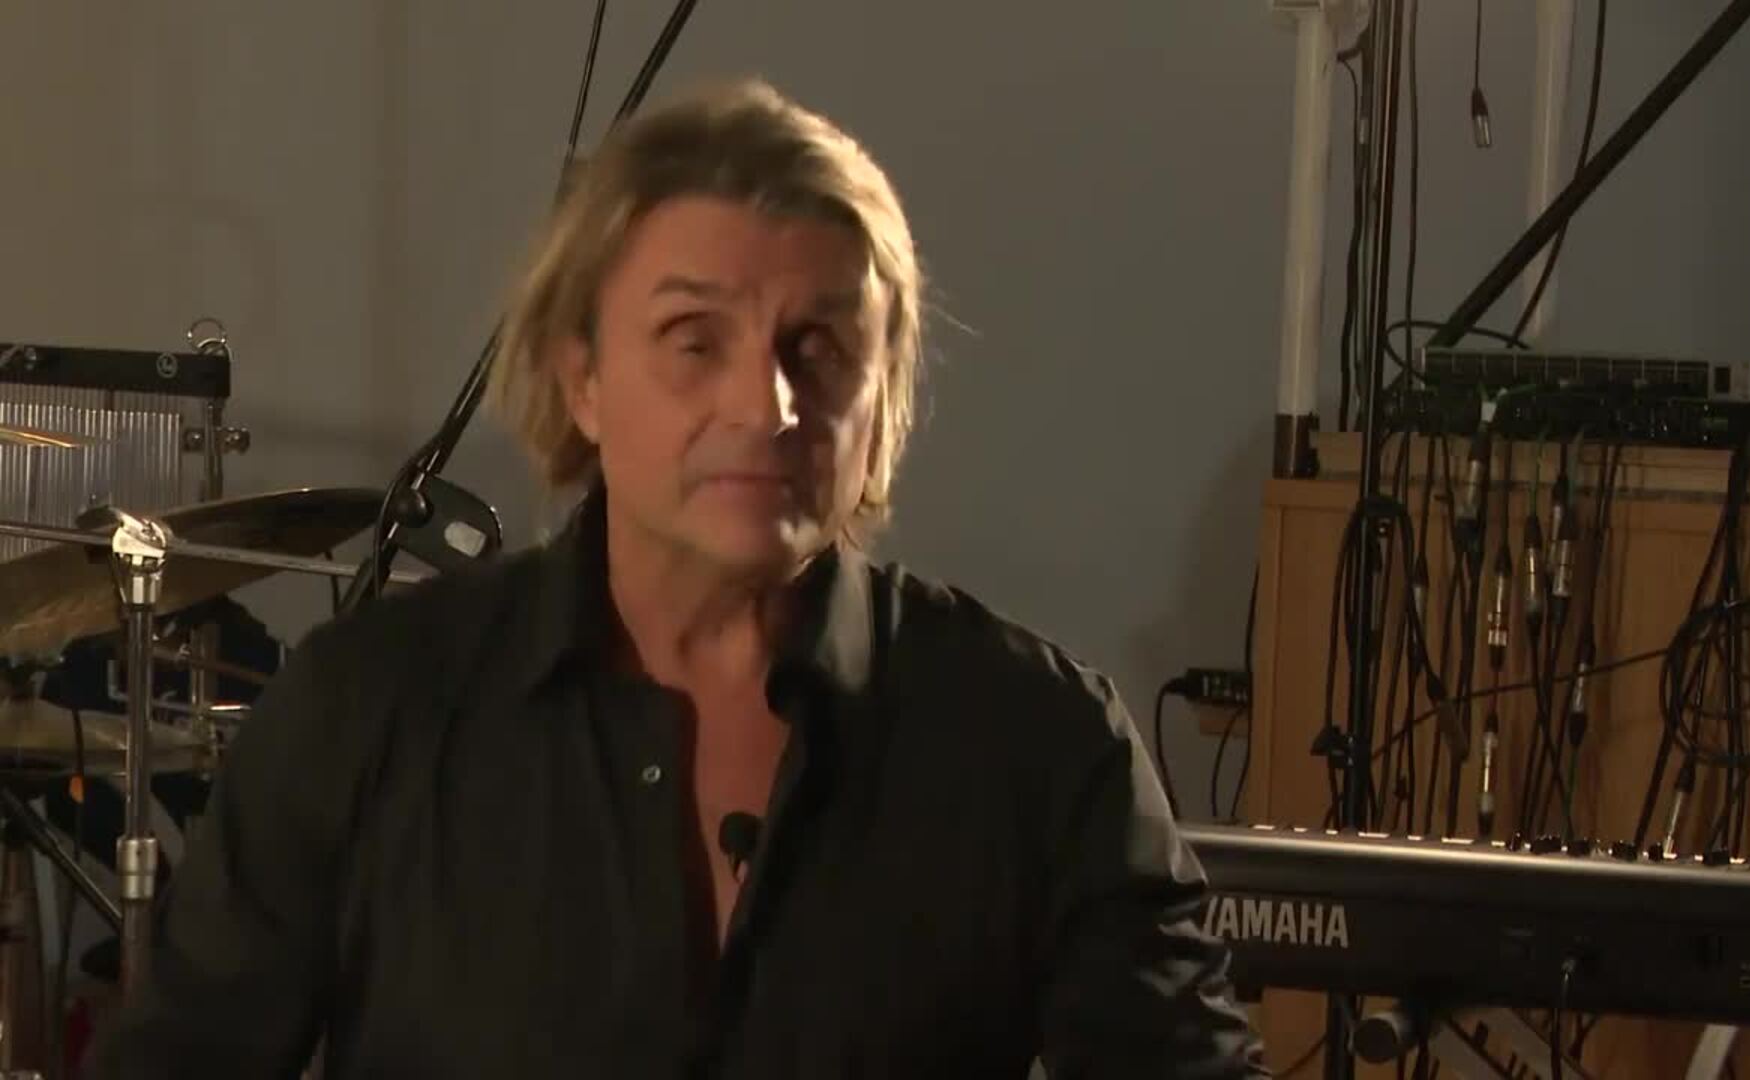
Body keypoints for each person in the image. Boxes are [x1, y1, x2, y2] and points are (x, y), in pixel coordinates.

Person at [90, 78, 1268, 1079]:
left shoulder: (1040, 742)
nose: (765, 404)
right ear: (584, 380)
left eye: (821, 347)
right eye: (696, 341)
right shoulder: (366, 709)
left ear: (886, 399)